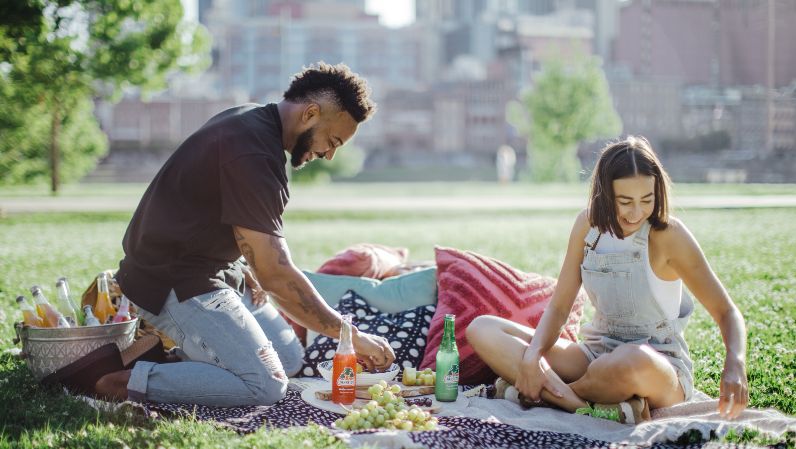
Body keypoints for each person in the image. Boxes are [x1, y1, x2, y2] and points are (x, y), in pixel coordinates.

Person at [80, 62, 395, 406]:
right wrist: (350, 335)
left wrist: (247, 266)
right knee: (265, 385)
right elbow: (276, 274)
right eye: (332, 141)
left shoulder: (254, 121)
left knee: (289, 359)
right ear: (311, 113)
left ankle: (174, 356)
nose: (329, 154)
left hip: (213, 273)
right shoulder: (254, 152)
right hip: (172, 282)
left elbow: (221, 218)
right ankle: (121, 381)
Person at [467, 136, 748, 423]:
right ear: (603, 193)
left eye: (646, 200)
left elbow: (727, 311)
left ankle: (548, 394)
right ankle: (587, 404)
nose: (636, 212)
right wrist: (533, 356)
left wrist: (735, 363)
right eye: (625, 201)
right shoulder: (587, 226)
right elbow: (559, 307)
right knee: (483, 329)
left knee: (629, 361)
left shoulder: (669, 236)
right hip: (596, 352)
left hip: (655, 365)